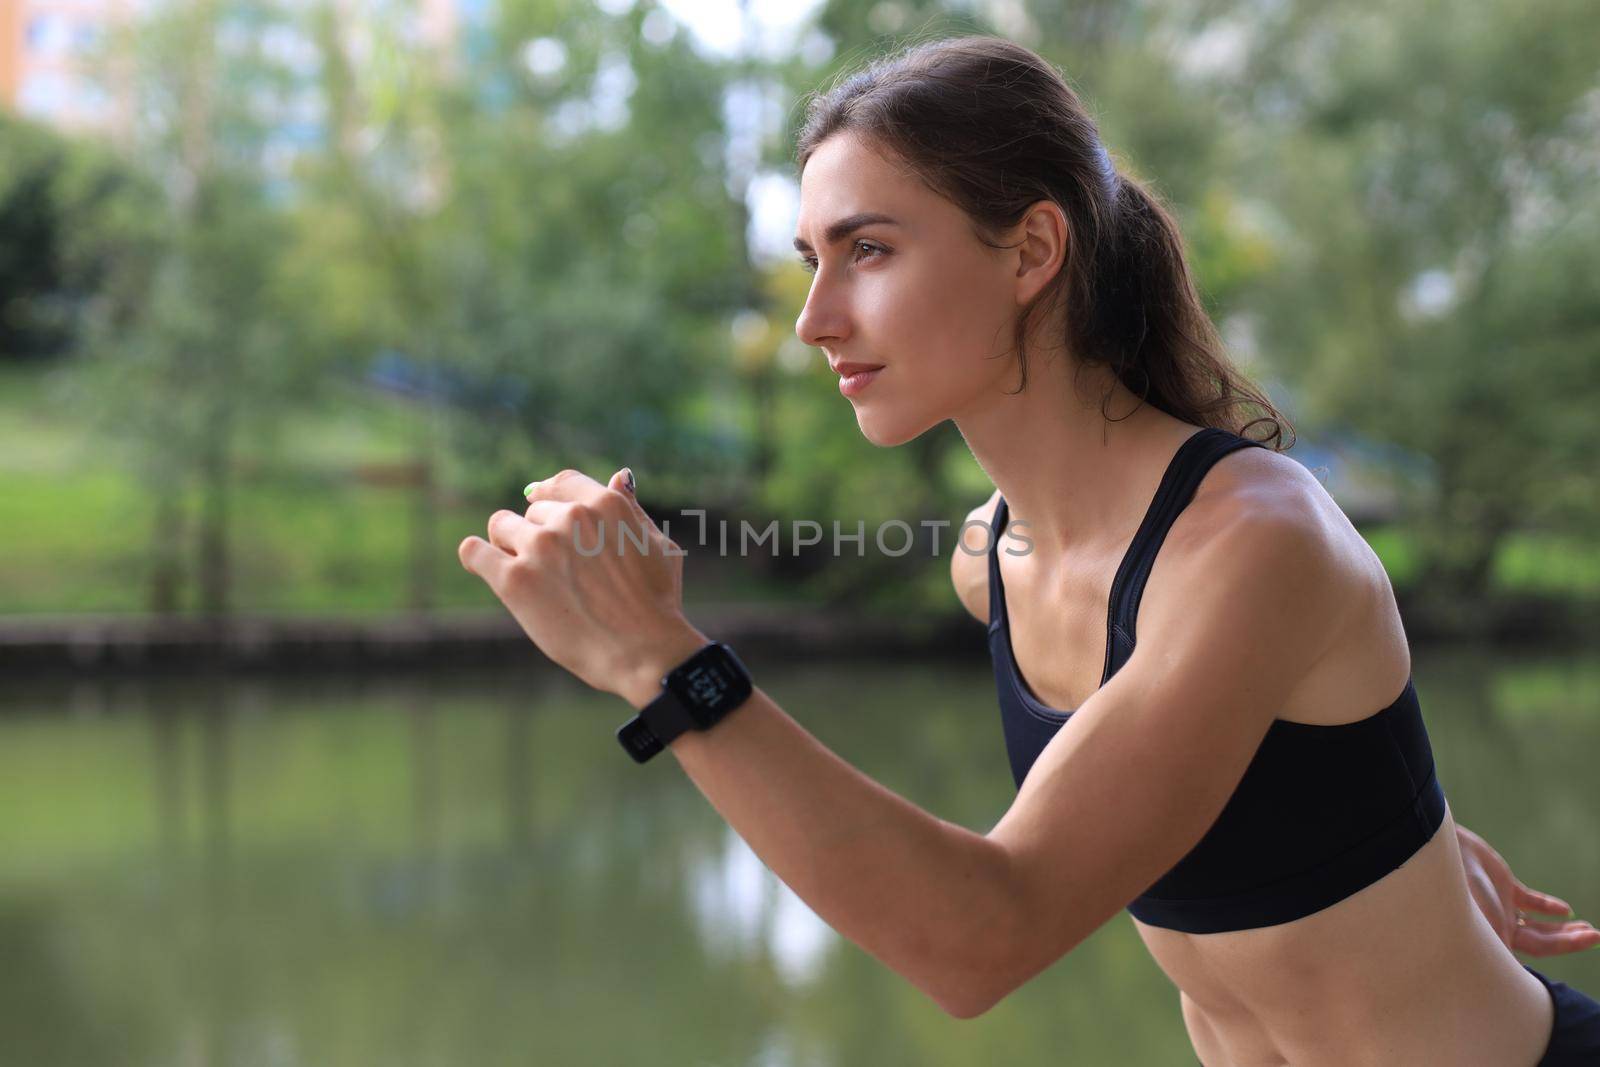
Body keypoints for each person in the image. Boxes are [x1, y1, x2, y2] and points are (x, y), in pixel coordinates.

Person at [457, 34, 1600, 1066]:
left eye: (867, 250)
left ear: (1032, 248)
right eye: (811, 255)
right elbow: (1264, 742)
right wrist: (1407, 815)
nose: (813, 317)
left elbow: (982, 936)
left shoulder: (1252, 540)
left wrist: (665, 663)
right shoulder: (986, 561)